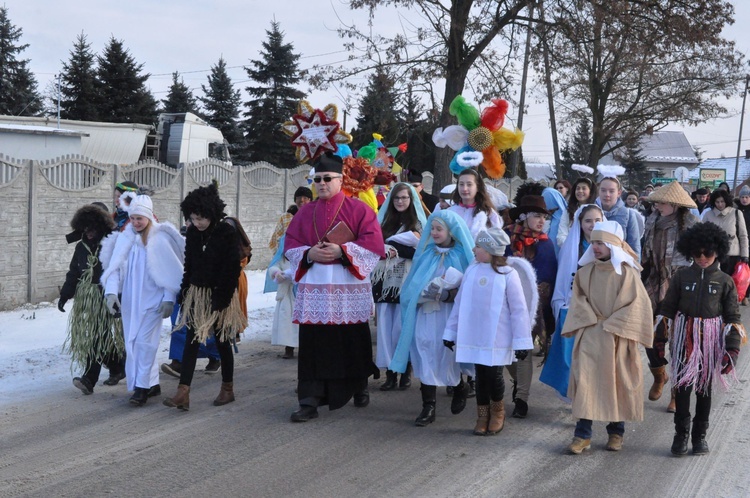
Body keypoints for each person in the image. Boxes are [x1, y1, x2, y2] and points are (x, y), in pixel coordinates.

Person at [284, 152, 385, 422]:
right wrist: (308, 255)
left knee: (350, 339)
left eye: (327, 178)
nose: (321, 183)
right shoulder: (305, 212)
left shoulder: (359, 209)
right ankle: (309, 399)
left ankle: (358, 383)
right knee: (313, 344)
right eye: (316, 179)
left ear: (340, 180)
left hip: (347, 284)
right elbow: (290, 245)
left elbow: (374, 245)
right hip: (315, 285)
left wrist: (342, 251)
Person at [562, 221, 654, 454]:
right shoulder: (585, 273)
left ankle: (616, 433)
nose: (595, 247)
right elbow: (578, 301)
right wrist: (591, 320)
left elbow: (637, 305)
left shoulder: (627, 273)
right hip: (591, 334)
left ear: (613, 245)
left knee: (616, 383)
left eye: (601, 242)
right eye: (593, 242)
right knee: (586, 383)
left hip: (617, 337)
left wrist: (613, 324)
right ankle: (582, 435)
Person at [657, 222, 744, 456]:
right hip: (684, 337)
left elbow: (733, 317)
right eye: (697, 253)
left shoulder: (725, 281)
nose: (703, 257)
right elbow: (666, 310)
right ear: (690, 252)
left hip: (710, 339)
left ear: (718, 251)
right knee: (682, 387)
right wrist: (659, 341)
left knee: (704, 389)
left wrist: (732, 349)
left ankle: (699, 436)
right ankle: (680, 435)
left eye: (708, 253)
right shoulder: (681, 277)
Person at [443, 227, 535, 435]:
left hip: (497, 336)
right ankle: (482, 414)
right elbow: (460, 304)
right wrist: (450, 332)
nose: (474, 249)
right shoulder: (472, 270)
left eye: (479, 246)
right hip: (474, 334)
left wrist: (521, 342)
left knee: (494, 374)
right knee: (480, 375)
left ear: (490, 249)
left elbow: (519, 310)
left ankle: (498, 411)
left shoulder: (507, 274)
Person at [163, 183, 247, 411]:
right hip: (196, 294)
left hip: (221, 294)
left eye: (201, 218)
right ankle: (183, 392)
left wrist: (220, 300)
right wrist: (185, 291)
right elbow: (188, 265)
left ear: (211, 214)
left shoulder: (226, 233)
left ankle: (227, 389)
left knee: (222, 341)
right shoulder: (192, 233)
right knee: (191, 339)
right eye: (192, 218)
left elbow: (232, 270)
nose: (196, 223)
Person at [390, 210, 474, 426]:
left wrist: (448, 294)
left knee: (447, 353)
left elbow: (470, 288)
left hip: (449, 315)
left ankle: (459, 387)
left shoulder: (461, 255)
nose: (434, 233)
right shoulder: (426, 253)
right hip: (426, 313)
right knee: (424, 350)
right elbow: (412, 284)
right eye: (433, 228)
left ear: (452, 232)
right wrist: (417, 296)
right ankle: (428, 406)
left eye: (439, 229)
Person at [101, 194, 185, 406]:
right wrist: (111, 293)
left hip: (153, 301)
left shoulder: (160, 238)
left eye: (140, 218)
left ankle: (141, 388)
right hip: (131, 303)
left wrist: (168, 298)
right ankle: (152, 383)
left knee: (144, 344)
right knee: (132, 343)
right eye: (134, 218)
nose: (136, 222)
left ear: (148, 217)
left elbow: (171, 272)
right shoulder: (125, 238)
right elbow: (114, 269)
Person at [640, 181, 699, 412]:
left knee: (679, 341)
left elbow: (702, 258)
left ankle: (677, 391)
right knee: (648, 333)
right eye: (656, 202)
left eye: (662, 202)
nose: (657, 206)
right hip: (654, 282)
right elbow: (646, 254)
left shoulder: (692, 224)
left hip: (681, 284)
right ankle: (659, 374)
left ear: (675, 204)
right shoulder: (652, 220)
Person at [541, 204, 604, 399]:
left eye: (597, 221)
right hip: (573, 306)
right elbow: (563, 277)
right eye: (588, 221)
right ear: (580, 223)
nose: (593, 225)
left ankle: (591, 393)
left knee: (594, 355)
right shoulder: (573, 245)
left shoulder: (610, 246)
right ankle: (575, 393)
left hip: (600, 308)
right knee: (571, 355)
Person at [61, 204, 125, 394]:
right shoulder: (81, 247)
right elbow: (74, 272)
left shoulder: (111, 245)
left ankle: (89, 379)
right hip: (87, 299)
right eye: (85, 229)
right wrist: (65, 294)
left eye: (92, 229)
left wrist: (118, 298)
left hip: (106, 297)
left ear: (102, 226)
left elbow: (119, 272)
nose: (88, 233)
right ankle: (117, 367)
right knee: (101, 336)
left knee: (97, 336)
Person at [372, 182, 427, 391]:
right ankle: (390, 373)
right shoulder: (384, 223)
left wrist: (397, 249)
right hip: (384, 281)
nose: (400, 201)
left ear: (411, 200)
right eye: (397, 198)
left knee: (403, 328)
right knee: (385, 329)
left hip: (405, 282)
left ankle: (405, 370)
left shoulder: (419, 225)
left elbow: (422, 253)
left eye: (404, 198)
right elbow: (374, 247)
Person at [701, 188, 749, 276]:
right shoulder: (708, 215)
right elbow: (702, 234)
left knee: (731, 282)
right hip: (713, 255)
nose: (720, 204)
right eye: (717, 202)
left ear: (726, 201)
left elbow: (743, 235)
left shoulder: (736, 213)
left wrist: (745, 255)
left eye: (722, 201)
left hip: (732, 256)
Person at [267, 234, 298, 359]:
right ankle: (288, 347)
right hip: (287, 295)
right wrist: (276, 273)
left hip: (300, 294)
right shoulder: (282, 259)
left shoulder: (300, 257)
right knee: (287, 323)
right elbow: (273, 267)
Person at [597, 176, 642, 259]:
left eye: (611, 191)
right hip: (593, 266)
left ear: (619, 193)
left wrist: (634, 270)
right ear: (598, 191)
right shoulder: (590, 212)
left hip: (620, 266)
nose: (607, 195)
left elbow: (634, 246)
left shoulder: (628, 214)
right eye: (603, 190)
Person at [450, 168, 502, 237]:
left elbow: (497, 240)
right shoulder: (451, 212)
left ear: (477, 187)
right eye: (461, 184)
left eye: (469, 184)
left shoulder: (488, 213)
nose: (464, 189)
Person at [269, 186, 313, 253]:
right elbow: (277, 237)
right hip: (288, 256)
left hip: (309, 256)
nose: (301, 200)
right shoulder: (286, 217)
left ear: (310, 200)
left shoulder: (315, 217)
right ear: (295, 200)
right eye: (298, 198)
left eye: (305, 198)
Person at [734, 185, 750, 305]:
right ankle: (737, 294)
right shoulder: (735, 210)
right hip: (738, 243)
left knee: (747, 271)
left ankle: (746, 295)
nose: (744, 199)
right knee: (737, 270)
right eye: (742, 197)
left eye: (747, 197)